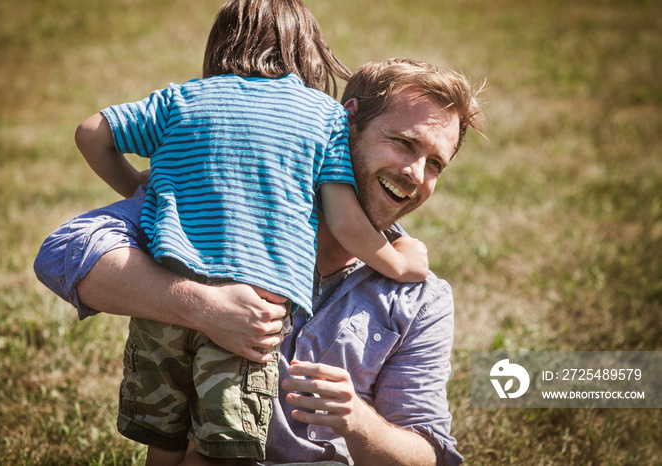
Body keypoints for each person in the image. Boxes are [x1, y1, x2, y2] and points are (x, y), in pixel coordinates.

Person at [35, 57, 484, 465]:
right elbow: (64, 254)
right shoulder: (217, 217)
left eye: (435, 166)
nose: (416, 175)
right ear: (345, 125)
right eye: (404, 144)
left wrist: (359, 421)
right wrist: (203, 307)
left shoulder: (419, 297)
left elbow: (430, 452)